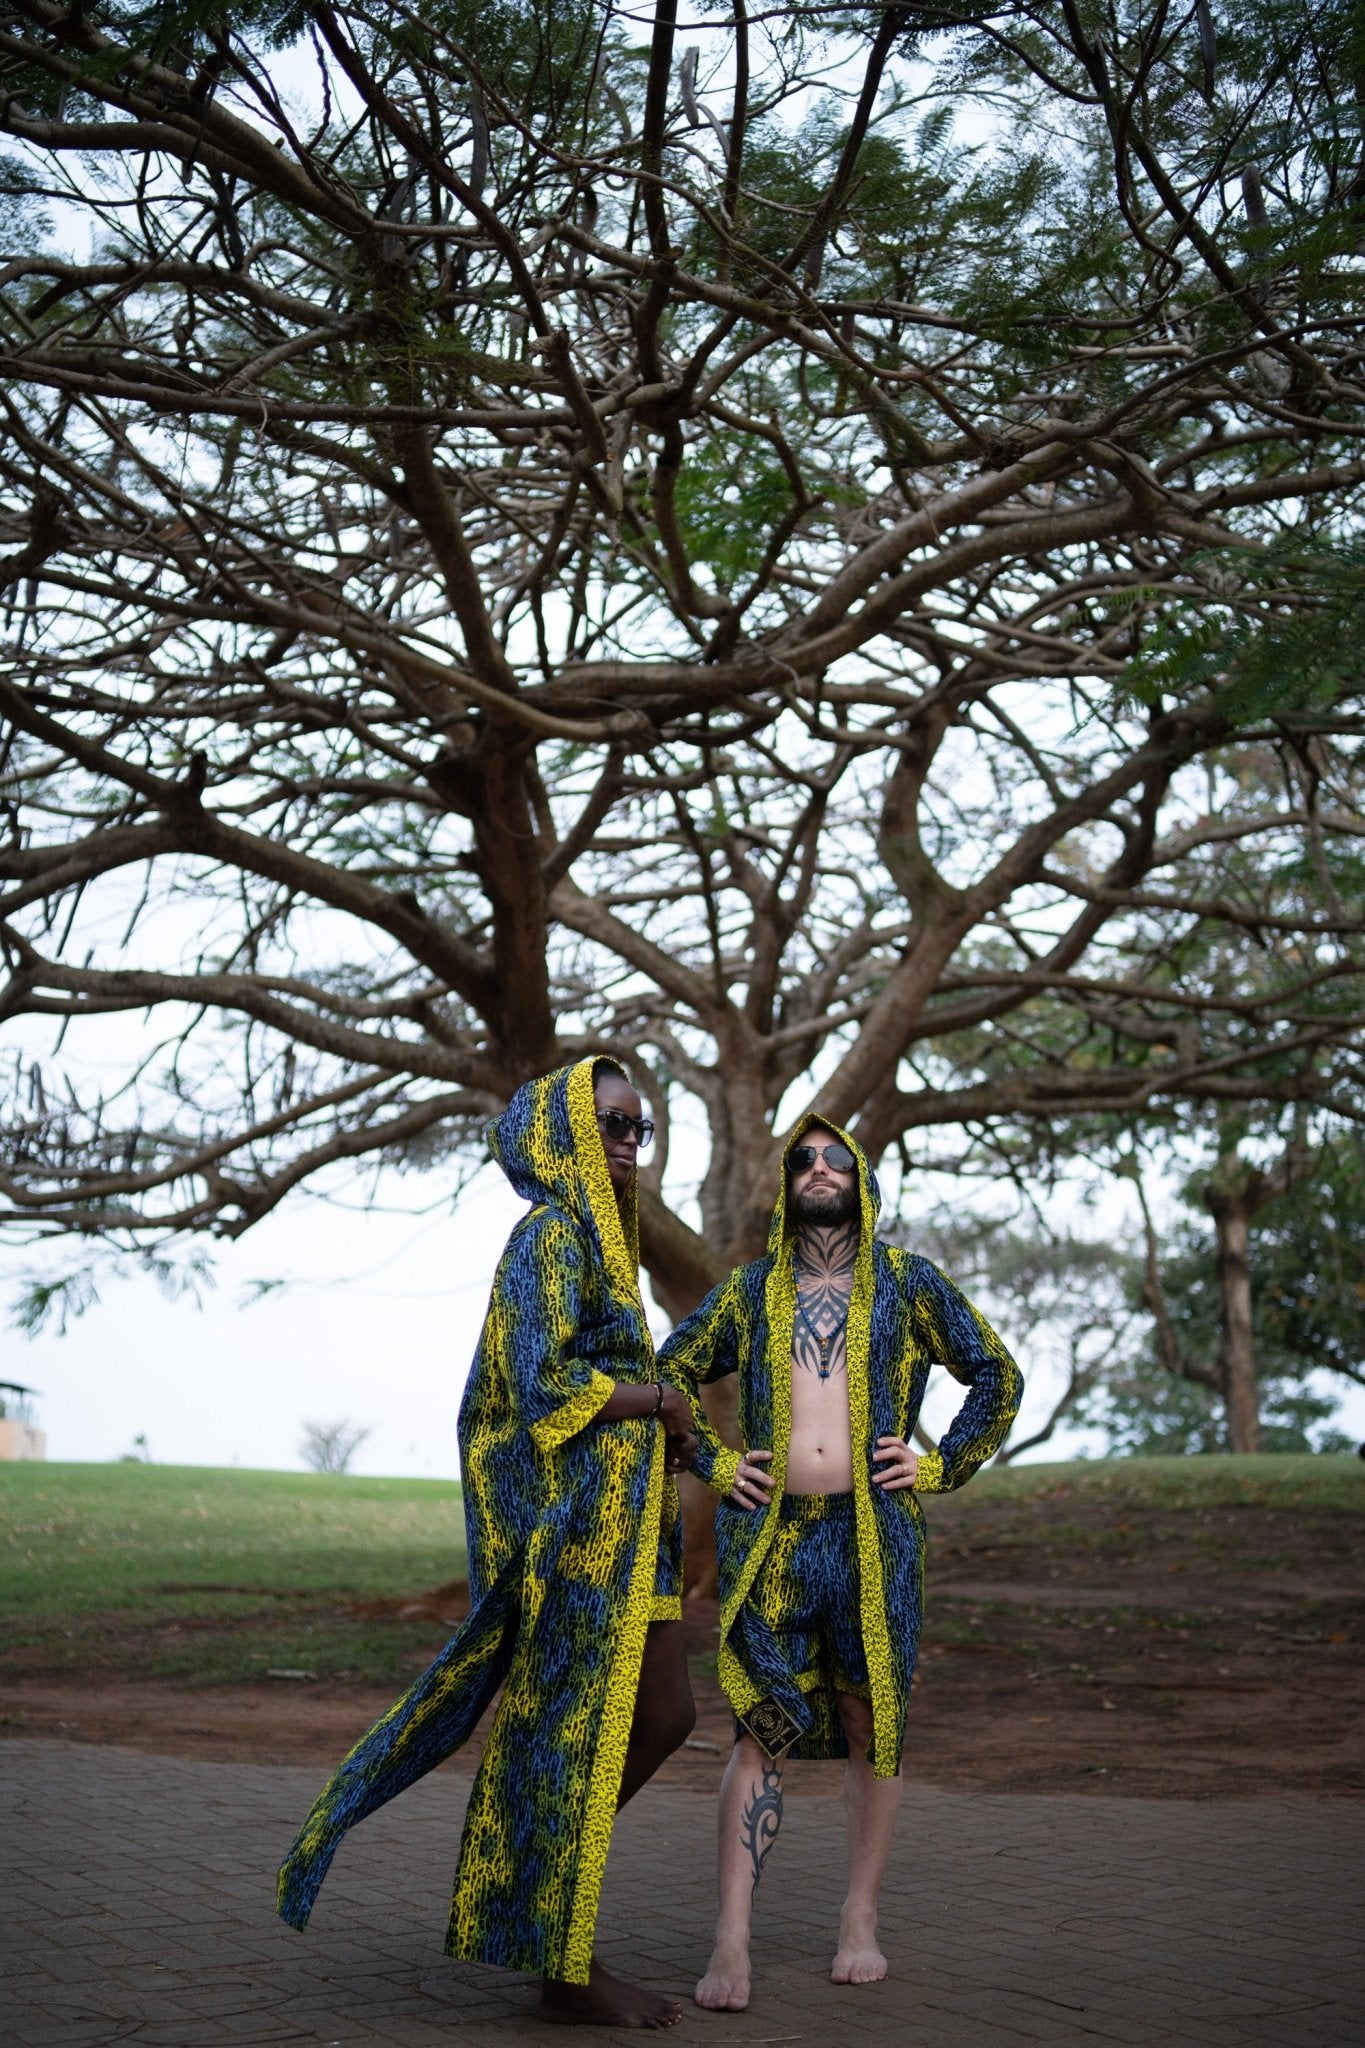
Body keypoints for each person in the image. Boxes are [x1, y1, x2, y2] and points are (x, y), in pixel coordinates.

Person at [277, 1056, 700, 2030]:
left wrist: (680, 1432)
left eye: (641, 1126)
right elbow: (540, 1385)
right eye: (613, 1124)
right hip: (579, 1542)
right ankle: (560, 1953)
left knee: (667, 1713)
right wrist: (658, 1398)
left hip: (641, 1533)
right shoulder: (548, 1238)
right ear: (560, 1134)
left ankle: (536, 1886)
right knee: (573, 1739)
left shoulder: (611, 1246)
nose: (631, 1142)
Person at [658, 1115, 1022, 2013]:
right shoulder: (749, 1292)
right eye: (803, 1161)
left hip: (875, 1540)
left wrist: (938, 1465)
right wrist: (710, 1459)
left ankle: (859, 1916)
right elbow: (669, 1374)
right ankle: (731, 1935)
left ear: (861, 1178)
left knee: (872, 1720)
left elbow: (996, 1375)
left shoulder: (907, 1284)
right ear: (785, 1184)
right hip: (770, 1542)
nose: (819, 1169)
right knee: (758, 1728)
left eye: (834, 1158)